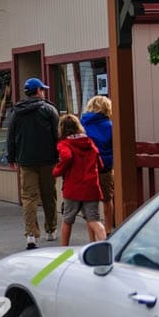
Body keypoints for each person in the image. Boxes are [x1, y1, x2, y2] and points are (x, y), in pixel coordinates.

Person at [7, 77, 60, 250]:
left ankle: (31, 234)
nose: (44, 92)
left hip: (25, 160)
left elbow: (11, 136)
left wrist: (11, 157)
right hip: (48, 160)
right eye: (42, 89)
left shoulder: (17, 112)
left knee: (29, 198)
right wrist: (60, 156)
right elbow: (57, 136)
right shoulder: (49, 110)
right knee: (48, 195)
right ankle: (51, 230)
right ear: (38, 91)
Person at [53, 113, 107, 246]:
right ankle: (104, 245)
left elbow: (67, 157)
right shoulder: (89, 142)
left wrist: (56, 171)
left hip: (73, 188)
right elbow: (100, 164)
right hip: (91, 187)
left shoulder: (64, 144)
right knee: (93, 219)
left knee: (67, 220)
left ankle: (63, 250)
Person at [80, 95, 114, 234]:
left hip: (87, 167)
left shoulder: (82, 125)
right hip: (105, 166)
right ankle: (108, 230)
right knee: (107, 199)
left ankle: (92, 237)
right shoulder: (110, 126)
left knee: (90, 204)